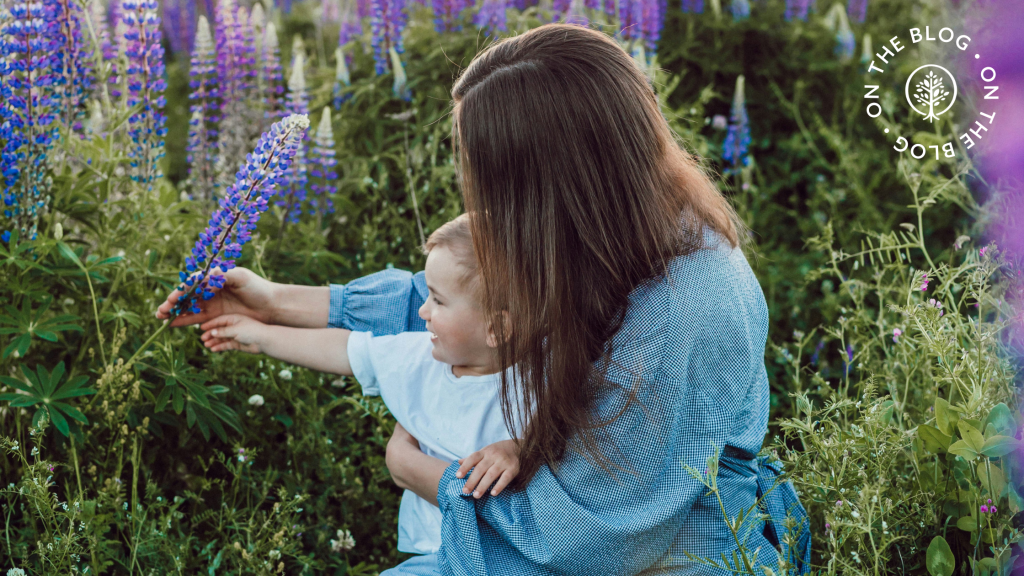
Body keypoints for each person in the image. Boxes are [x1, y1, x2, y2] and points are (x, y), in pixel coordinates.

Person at [158, 23, 811, 576]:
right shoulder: (618, 228)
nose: (479, 200)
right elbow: (463, 301)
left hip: (671, 553)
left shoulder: (685, 310)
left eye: (489, 177)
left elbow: (594, 539)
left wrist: (424, 475)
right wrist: (272, 302)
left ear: (555, 181)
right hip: (569, 525)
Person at [184, 214, 525, 563]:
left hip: (510, 558)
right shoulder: (419, 357)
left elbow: (567, 437)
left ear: (496, 328)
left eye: (437, 301)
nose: (422, 311)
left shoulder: (540, 378)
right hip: (434, 553)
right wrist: (259, 335)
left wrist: (517, 448)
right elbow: (345, 349)